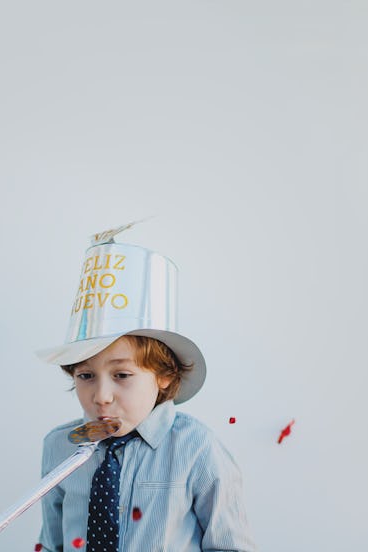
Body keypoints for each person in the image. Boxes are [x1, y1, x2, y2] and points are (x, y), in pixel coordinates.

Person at [35, 224, 256, 551]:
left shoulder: (197, 447)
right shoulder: (60, 446)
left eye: (122, 375)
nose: (101, 396)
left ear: (164, 375)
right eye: (85, 376)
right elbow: (51, 543)